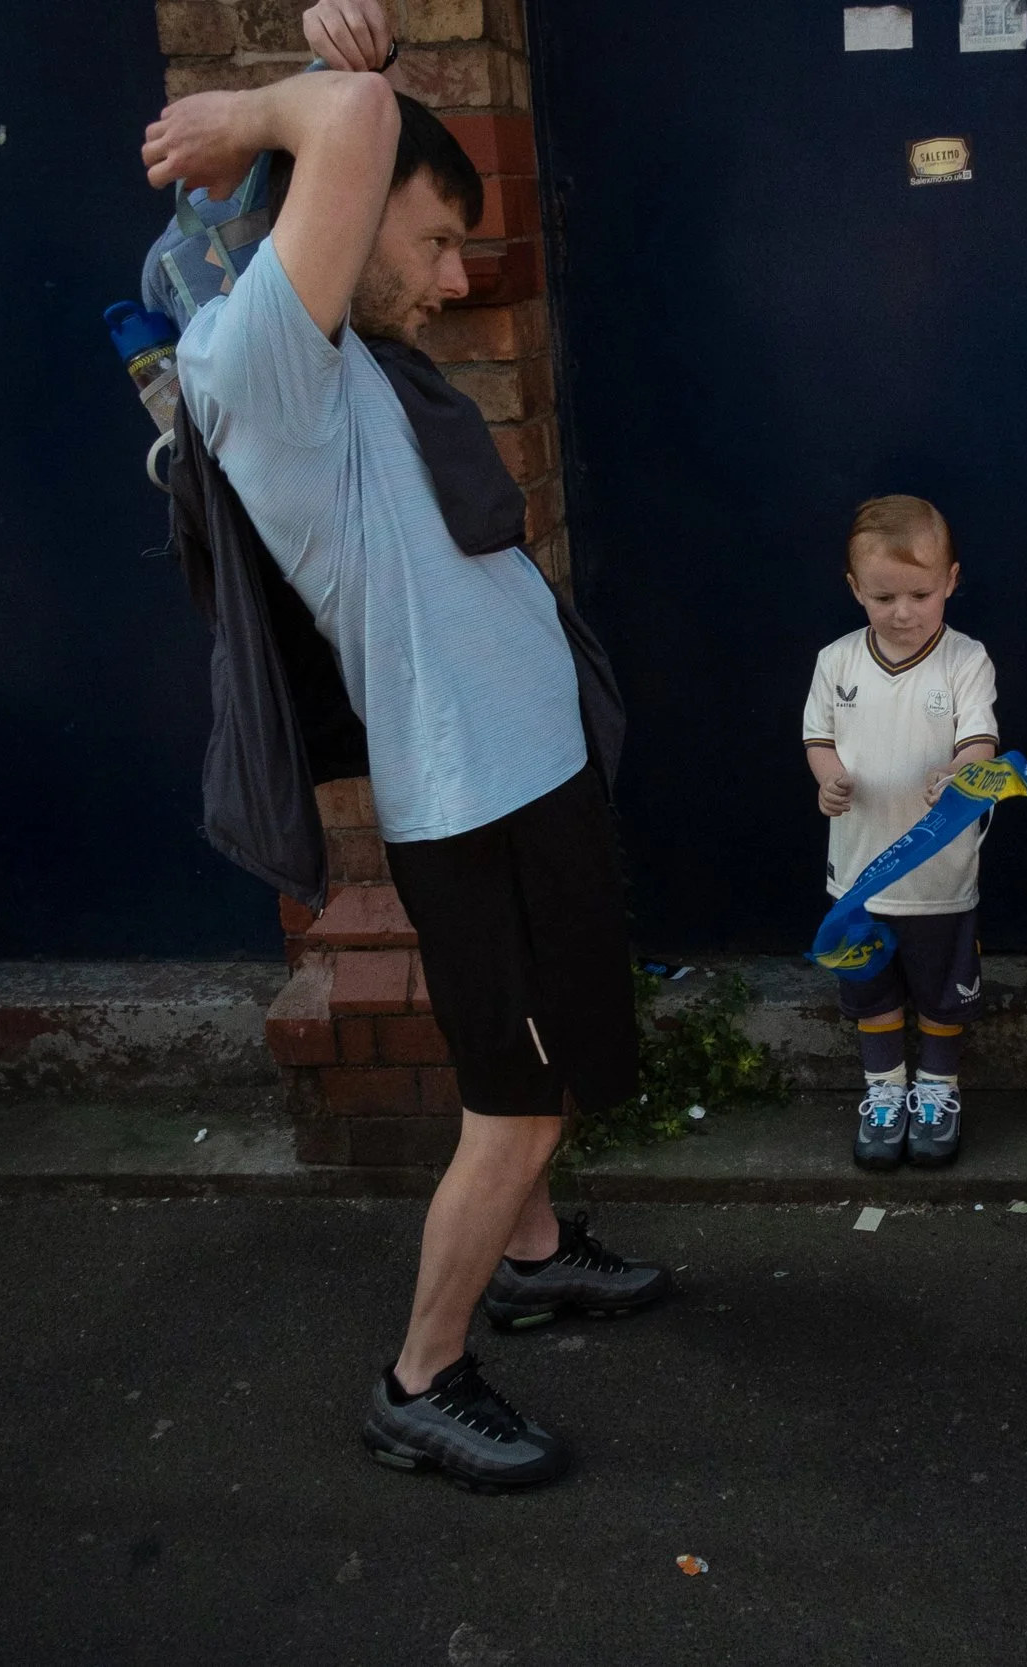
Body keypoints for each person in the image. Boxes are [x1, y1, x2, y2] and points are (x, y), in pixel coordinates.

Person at [144, 0, 665, 1492]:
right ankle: (421, 1376)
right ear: (354, 213)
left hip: (528, 777)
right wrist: (264, 109)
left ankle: (537, 1253)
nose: (454, 280)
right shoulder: (263, 369)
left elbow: (372, 123)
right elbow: (358, 134)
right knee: (524, 1094)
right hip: (478, 806)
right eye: (436, 242)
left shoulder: (346, 361)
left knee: (551, 1063)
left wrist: (355, 71)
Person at [803, 497, 1000, 1170]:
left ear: (950, 579)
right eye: (884, 595)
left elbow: (982, 741)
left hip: (941, 882)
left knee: (944, 997)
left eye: (920, 592)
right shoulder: (836, 662)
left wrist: (960, 774)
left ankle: (938, 1093)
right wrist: (827, 776)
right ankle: (885, 1096)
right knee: (872, 995)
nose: (903, 611)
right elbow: (818, 737)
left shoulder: (965, 660)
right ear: (855, 589)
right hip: (859, 878)